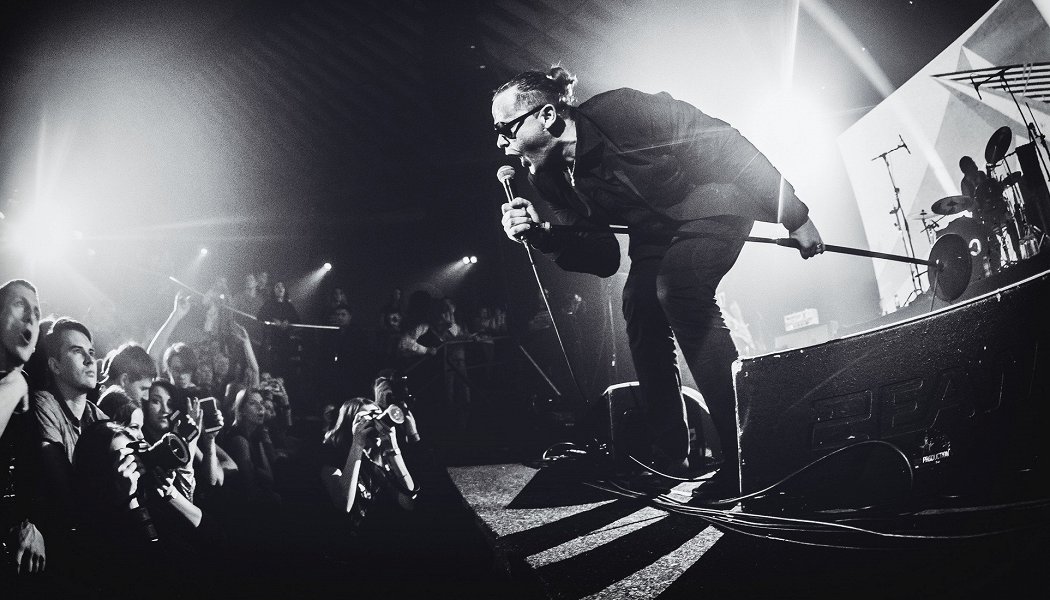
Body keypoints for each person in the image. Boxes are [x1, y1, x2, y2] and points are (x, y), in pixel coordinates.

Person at [493, 66, 824, 497]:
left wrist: (795, 215)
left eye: (505, 128)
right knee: (639, 303)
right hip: (655, 232)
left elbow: (722, 142)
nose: (500, 143)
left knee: (679, 289)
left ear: (548, 116)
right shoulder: (549, 178)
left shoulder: (621, 111)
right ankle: (670, 456)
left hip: (714, 197)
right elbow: (603, 256)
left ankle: (749, 454)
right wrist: (542, 235)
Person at [0, 279, 46, 578]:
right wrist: (14, 385)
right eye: (20, 305)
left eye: (37, 314)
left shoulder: (30, 395)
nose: (31, 318)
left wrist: (29, 523)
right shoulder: (18, 386)